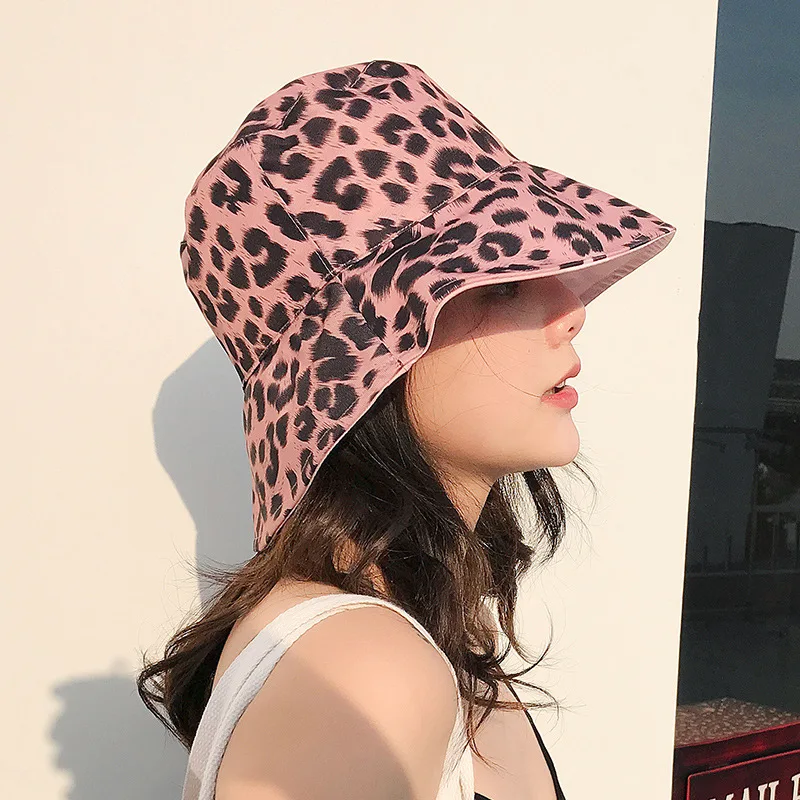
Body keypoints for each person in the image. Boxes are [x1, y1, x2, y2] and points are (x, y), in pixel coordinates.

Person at [137, 59, 676, 800]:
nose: (572, 309)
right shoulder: (367, 669)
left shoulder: (420, 633)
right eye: (502, 282)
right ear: (361, 356)